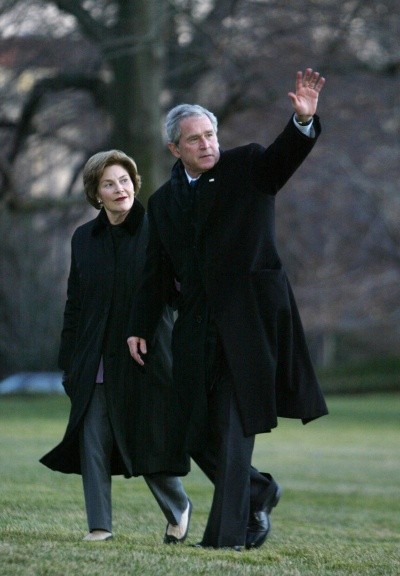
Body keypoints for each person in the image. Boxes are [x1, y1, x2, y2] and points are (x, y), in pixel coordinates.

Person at [127, 68, 329, 550]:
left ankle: (227, 537)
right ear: (174, 149)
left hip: (251, 323)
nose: (206, 144)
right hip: (197, 329)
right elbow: (155, 272)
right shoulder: (163, 202)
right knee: (193, 433)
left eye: (210, 133)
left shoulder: (248, 166)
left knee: (234, 428)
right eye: (194, 139)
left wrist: (301, 121)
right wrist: (140, 325)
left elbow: (283, 158)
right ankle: (260, 490)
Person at [40, 150, 192, 543]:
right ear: (96, 193)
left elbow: (177, 288)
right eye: (109, 183)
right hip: (93, 359)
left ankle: (179, 509)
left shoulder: (156, 226)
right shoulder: (83, 239)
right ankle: (99, 527)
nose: (119, 188)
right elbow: (75, 303)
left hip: (146, 355)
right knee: (92, 440)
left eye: (124, 180)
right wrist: (69, 361)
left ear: (134, 183)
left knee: (147, 442)